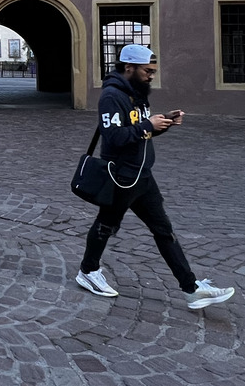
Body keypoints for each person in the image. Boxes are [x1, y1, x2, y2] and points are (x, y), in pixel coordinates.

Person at [73, 44, 235, 310]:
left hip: (143, 176)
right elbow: (113, 136)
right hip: (122, 176)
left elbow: (141, 131)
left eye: (153, 71)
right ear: (129, 68)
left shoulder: (138, 94)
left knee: (163, 230)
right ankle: (88, 271)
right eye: (147, 71)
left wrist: (163, 123)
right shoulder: (112, 96)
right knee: (106, 225)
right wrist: (148, 125)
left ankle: (191, 289)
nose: (151, 75)